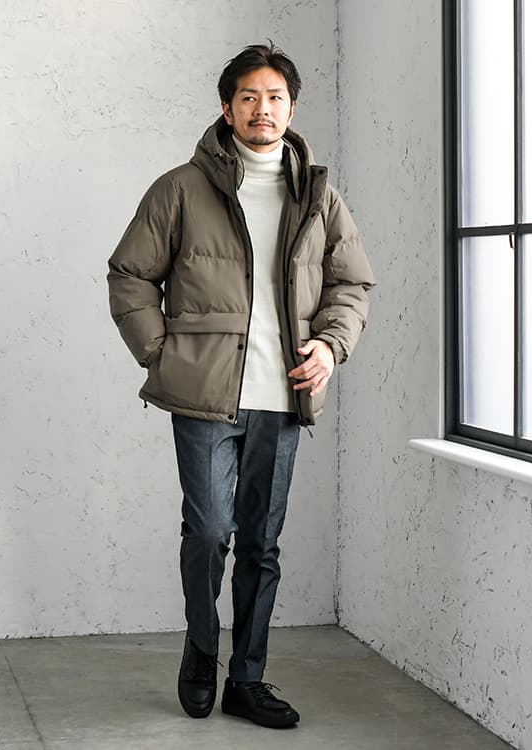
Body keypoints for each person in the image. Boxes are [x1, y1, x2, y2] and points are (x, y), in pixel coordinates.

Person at [107, 42, 375, 729]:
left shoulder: (318, 195)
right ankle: (202, 650)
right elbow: (130, 275)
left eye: (275, 97)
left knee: (261, 543)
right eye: (249, 97)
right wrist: (161, 354)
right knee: (208, 533)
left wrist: (330, 346)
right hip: (204, 399)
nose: (263, 109)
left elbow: (351, 284)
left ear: (292, 108)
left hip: (282, 399)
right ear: (227, 108)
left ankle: (247, 679)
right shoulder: (180, 188)